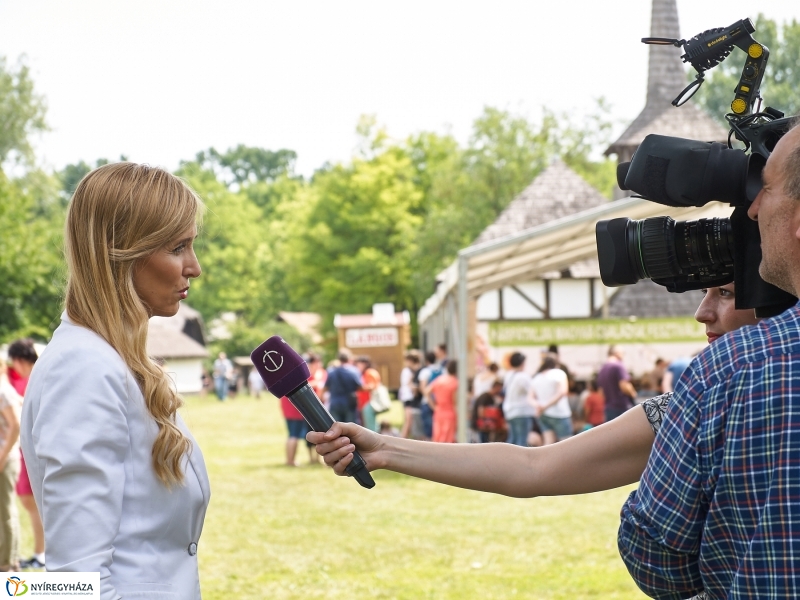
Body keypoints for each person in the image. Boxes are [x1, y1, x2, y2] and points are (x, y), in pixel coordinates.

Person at [309, 282, 758, 551]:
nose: (702, 311)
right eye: (706, 292)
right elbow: (533, 467)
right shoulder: (689, 410)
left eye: (726, 292)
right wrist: (385, 449)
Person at [617, 122, 800, 599]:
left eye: (767, 189)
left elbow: (656, 557)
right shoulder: (729, 373)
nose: (754, 208)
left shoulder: (730, 373)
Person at [19, 163, 210, 598]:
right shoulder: (84, 368)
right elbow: (76, 579)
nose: (194, 267)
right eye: (178, 247)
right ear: (121, 252)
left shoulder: (109, 360)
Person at [7, 339, 44, 570]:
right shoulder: (20, 378)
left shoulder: (36, 378)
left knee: (33, 503)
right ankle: (39, 552)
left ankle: (41, 553)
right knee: (28, 503)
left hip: (33, 449)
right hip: (23, 449)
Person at [0, 364, 21, 572]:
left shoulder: (3, 391)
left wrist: (2, 455)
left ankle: (7, 563)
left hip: (5, 461)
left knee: (5, 511)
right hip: (5, 458)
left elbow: (15, 425)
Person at [531, 355, 572, 444]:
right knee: (566, 442)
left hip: (543, 414)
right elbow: (562, 392)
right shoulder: (559, 373)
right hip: (559, 413)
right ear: (556, 364)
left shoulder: (537, 377)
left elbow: (530, 398)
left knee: (548, 442)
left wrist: (539, 406)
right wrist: (545, 406)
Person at [501, 352, 536, 446]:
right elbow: (532, 391)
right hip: (521, 411)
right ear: (522, 363)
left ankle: (505, 455)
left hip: (510, 411)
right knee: (522, 441)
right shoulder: (523, 377)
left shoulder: (508, 375)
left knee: (512, 439)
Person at [596, 346, 636, 421]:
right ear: (617, 353)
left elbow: (601, 392)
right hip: (622, 407)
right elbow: (624, 386)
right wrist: (633, 393)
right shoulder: (618, 366)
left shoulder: (602, 369)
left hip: (609, 408)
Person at [323, 351, 362, 424]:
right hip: (349, 403)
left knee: (336, 427)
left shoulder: (332, 371)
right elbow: (360, 386)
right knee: (351, 428)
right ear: (349, 358)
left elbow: (326, 387)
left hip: (335, 402)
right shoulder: (354, 371)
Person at [428, 360, 458, 443]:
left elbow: (427, 391)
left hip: (438, 412)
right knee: (447, 441)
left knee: (437, 439)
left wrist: (433, 406)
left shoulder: (439, 379)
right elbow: (455, 402)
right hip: (450, 413)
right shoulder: (455, 382)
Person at [398, 353, 423, 439]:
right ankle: (402, 439)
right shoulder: (408, 371)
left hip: (408, 397)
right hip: (408, 398)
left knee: (409, 420)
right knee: (408, 420)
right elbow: (409, 384)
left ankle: (405, 437)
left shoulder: (409, 371)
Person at [354, 356, 381, 433]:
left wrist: (359, 388)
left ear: (365, 364)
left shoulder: (369, 372)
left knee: (370, 427)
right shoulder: (366, 372)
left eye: (358, 364)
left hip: (369, 402)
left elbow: (372, 386)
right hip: (365, 403)